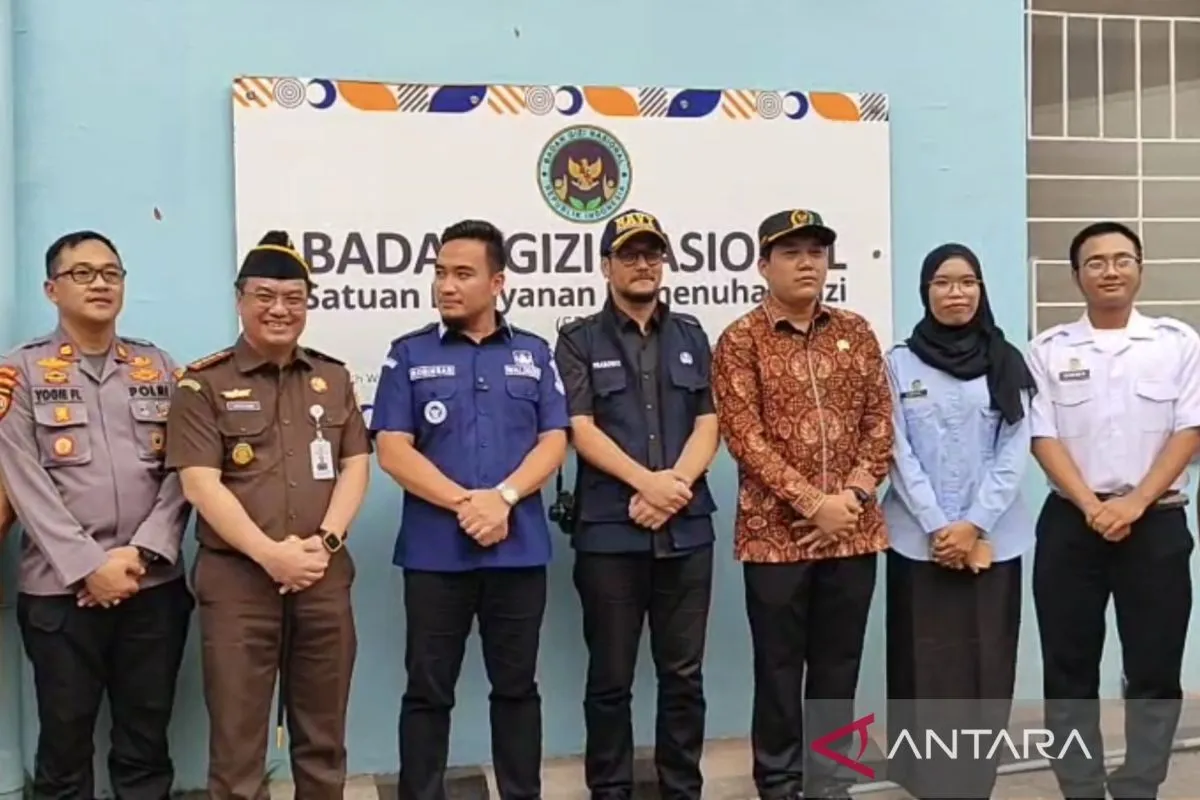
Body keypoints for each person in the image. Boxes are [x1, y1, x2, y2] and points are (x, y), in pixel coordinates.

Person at [165, 230, 371, 800]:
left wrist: (325, 543)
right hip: (239, 585)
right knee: (237, 748)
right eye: (265, 296)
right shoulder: (203, 384)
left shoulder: (334, 378)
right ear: (240, 300)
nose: (280, 309)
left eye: (293, 298)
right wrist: (271, 555)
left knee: (324, 743)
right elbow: (200, 484)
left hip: (322, 577)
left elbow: (356, 465)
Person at [370, 219, 569, 800]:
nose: (446, 285)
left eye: (462, 273)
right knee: (427, 692)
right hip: (436, 555)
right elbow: (392, 448)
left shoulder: (533, 353)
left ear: (497, 282)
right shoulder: (408, 354)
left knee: (517, 690)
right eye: (439, 273)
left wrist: (502, 499)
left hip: (517, 551)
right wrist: (467, 504)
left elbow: (554, 439)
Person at [0, 230, 194, 800]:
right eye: (82, 274)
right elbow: (23, 481)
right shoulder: (19, 373)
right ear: (52, 289)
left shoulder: (159, 366)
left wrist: (141, 553)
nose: (100, 284)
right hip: (60, 594)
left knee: (146, 745)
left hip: (152, 585)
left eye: (111, 273)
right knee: (64, 748)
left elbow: (185, 469)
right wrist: (90, 566)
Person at [711, 209, 894, 800]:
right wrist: (814, 504)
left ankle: (831, 780)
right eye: (791, 253)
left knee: (839, 666)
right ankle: (780, 783)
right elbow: (745, 437)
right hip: (774, 536)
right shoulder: (741, 340)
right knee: (778, 668)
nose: (807, 263)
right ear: (764, 265)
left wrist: (851, 498)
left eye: (816, 252)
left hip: (853, 532)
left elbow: (880, 421)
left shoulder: (856, 331)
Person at [1028, 220, 1200, 800]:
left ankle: (1139, 785)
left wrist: (1134, 502)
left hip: (1156, 522)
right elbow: (1042, 436)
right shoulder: (1049, 350)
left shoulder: (1177, 343)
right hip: (1071, 523)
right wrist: (1091, 504)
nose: (1110, 271)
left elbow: (1189, 430)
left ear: (1140, 269)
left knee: (1154, 666)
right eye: (1095, 262)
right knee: (1068, 667)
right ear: (1077, 275)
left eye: (1122, 260)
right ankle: (1079, 786)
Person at [553, 209, 721, 800]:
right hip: (610, 534)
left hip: (686, 532)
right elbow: (580, 427)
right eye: (629, 255)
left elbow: (708, 423)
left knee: (684, 678)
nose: (643, 265)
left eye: (652, 254)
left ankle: (682, 790)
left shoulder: (691, 335)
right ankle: (610, 790)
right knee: (610, 680)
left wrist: (673, 487)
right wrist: (647, 484)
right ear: (606, 267)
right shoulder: (578, 340)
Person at [881, 243, 1037, 799]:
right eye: (943, 282)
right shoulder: (898, 363)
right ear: (925, 291)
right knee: (922, 666)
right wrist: (938, 524)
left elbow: (1015, 449)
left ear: (981, 289)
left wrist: (973, 524)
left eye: (967, 281)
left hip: (993, 542)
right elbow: (895, 449)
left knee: (984, 669)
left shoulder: (1006, 360)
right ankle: (926, 783)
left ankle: (973, 783)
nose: (956, 293)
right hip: (917, 542)